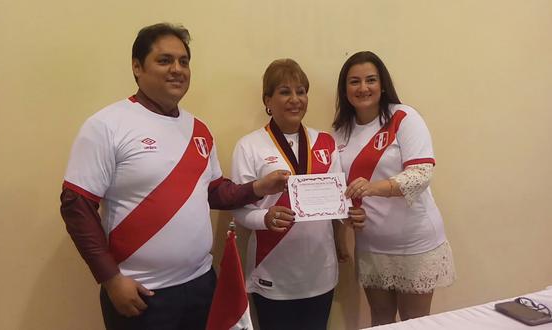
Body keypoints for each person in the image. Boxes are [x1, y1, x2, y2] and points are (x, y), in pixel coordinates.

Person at [59, 23, 289, 330]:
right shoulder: (106, 125)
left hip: (201, 285)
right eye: (165, 60)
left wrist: (258, 187)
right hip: (142, 293)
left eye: (184, 61)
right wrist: (111, 279)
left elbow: (214, 192)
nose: (177, 69)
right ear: (137, 67)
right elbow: (76, 206)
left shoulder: (199, 129)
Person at [231, 59, 366, 330]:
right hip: (272, 270)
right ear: (267, 99)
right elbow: (239, 208)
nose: (295, 99)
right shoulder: (249, 146)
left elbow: (339, 200)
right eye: (284, 91)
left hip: (320, 272)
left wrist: (349, 212)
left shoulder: (324, 142)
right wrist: (265, 217)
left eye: (301, 91)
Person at [332, 51, 456, 326]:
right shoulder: (339, 133)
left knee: (413, 322)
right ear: (345, 89)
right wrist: (345, 221)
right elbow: (338, 190)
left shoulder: (404, 117)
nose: (363, 88)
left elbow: (421, 175)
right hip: (372, 244)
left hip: (413, 242)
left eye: (370, 80)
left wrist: (373, 188)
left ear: (382, 84)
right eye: (354, 82)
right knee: (382, 321)